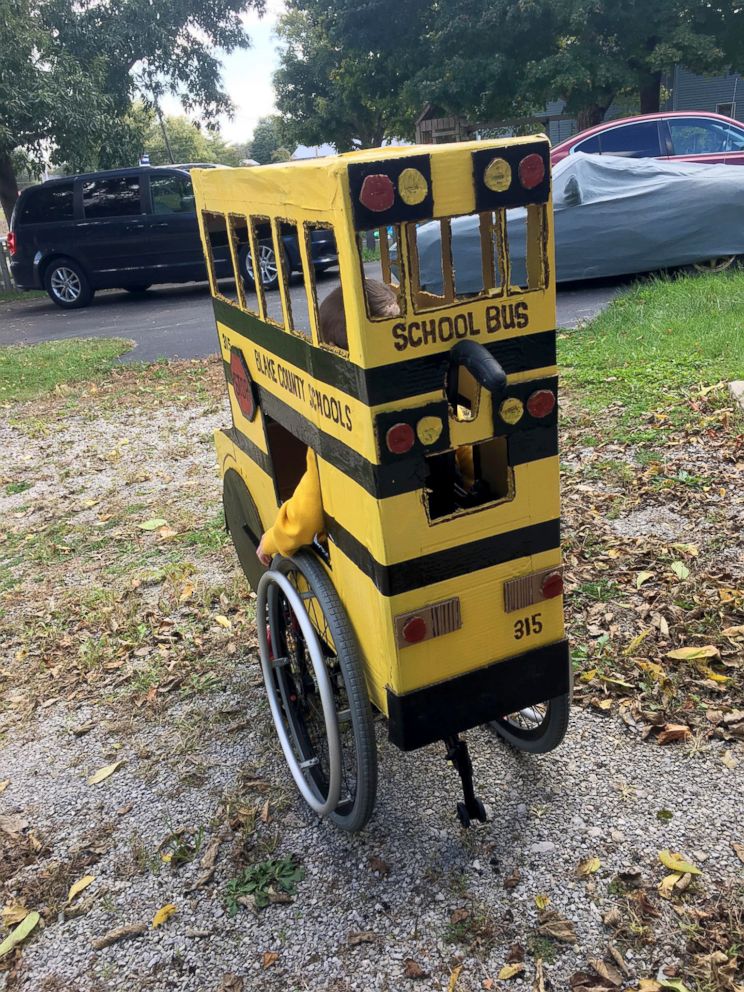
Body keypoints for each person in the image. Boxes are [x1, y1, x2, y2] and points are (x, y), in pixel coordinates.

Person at [256, 279, 399, 565]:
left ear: (333, 348)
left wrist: (271, 539)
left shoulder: (339, 424)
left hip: (367, 555)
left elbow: (306, 516)